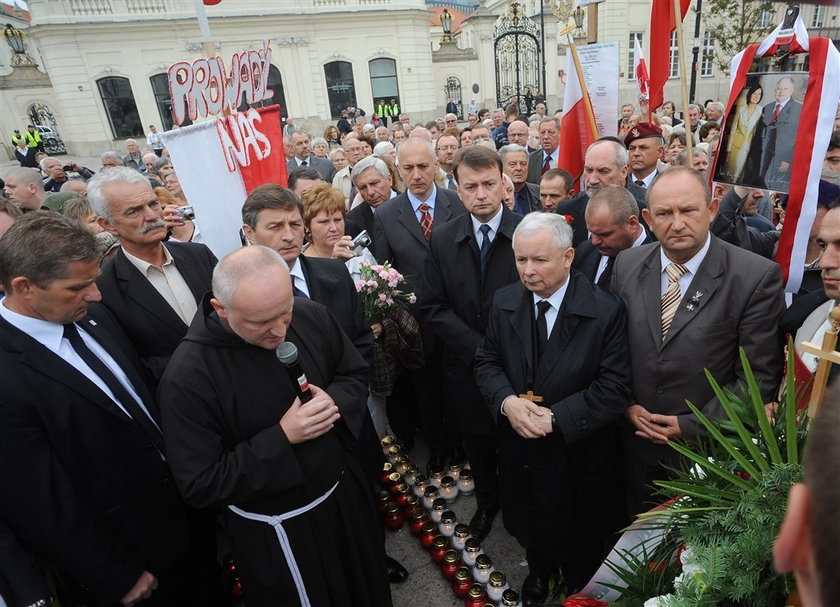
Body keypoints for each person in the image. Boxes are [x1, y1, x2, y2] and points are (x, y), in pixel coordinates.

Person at [0, 212, 224, 607]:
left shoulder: (92, 316)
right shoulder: (7, 373)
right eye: (78, 286)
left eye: (94, 279)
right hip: (131, 563)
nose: (96, 294)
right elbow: (41, 499)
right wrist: (114, 573)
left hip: (188, 524)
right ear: (25, 287)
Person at [158, 245, 392, 607]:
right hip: (281, 530)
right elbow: (201, 483)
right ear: (221, 309)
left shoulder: (310, 315)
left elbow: (351, 372)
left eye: (284, 313)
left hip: (343, 499)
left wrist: (335, 402)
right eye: (261, 323)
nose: (280, 332)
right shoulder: (187, 377)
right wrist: (284, 437)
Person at [611, 167, 785, 519]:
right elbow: (609, 351)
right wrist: (624, 404)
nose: (676, 223)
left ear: (712, 209)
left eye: (688, 210)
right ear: (647, 218)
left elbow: (758, 380)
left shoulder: (754, 277)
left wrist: (691, 426)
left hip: (706, 458)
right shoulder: (626, 265)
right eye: (664, 213)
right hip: (632, 447)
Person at [474, 212, 632, 600]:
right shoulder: (504, 301)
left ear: (567, 257)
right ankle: (539, 570)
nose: (528, 271)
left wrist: (558, 417)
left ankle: (578, 579)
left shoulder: (604, 310)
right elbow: (487, 360)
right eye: (521, 260)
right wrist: (507, 402)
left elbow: (614, 386)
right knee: (529, 516)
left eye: (539, 260)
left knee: (579, 523)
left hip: (576, 450)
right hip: (520, 444)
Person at [419, 146, 523, 543]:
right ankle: (486, 503)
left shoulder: (528, 233)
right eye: (471, 186)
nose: (481, 194)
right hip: (465, 370)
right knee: (478, 447)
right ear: (458, 191)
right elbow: (432, 305)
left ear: (503, 184)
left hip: (519, 370)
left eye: (488, 184)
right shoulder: (444, 239)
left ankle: (519, 511)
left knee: (517, 449)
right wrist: (480, 349)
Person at [372, 136, 467, 470]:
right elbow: (384, 274)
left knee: (458, 385)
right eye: (408, 168)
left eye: (423, 166)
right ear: (398, 170)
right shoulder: (386, 215)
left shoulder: (458, 203)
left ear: (437, 165)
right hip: (415, 325)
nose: (416, 175)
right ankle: (438, 448)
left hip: (458, 317)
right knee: (425, 391)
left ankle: (462, 444)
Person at [89, 167, 217, 384]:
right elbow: (132, 365)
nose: (151, 216)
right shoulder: (104, 290)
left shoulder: (199, 255)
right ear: (107, 224)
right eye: (134, 211)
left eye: (153, 204)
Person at [573, 185, 652, 293]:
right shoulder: (584, 251)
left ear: (632, 224)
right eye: (592, 233)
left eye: (604, 234)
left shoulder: (656, 262)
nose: (595, 241)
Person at [757, 76, 803, 191]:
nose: (781, 92)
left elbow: (799, 137)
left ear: (791, 91)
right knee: (760, 185)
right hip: (763, 155)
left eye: (785, 89)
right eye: (778, 89)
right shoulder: (767, 108)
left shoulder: (799, 109)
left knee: (776, 187)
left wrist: (788, 159)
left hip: (783, 158)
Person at [501, 144, 541, 215]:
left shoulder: (539, 193)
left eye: (523, 164)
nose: (519, 168)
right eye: (513, 164)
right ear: (501, 167)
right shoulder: (493, 196)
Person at [625, 122, 664, 188]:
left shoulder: (667, 185)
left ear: (660, 152)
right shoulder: (619, 184)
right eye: (632, 148)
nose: (636, 153)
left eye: (643, 148)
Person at [527, 117, 560, 184]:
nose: (546, 137)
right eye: (542, 133)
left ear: (560, 134)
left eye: (551, 132)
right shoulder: (531, 159)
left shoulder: (567, 159)